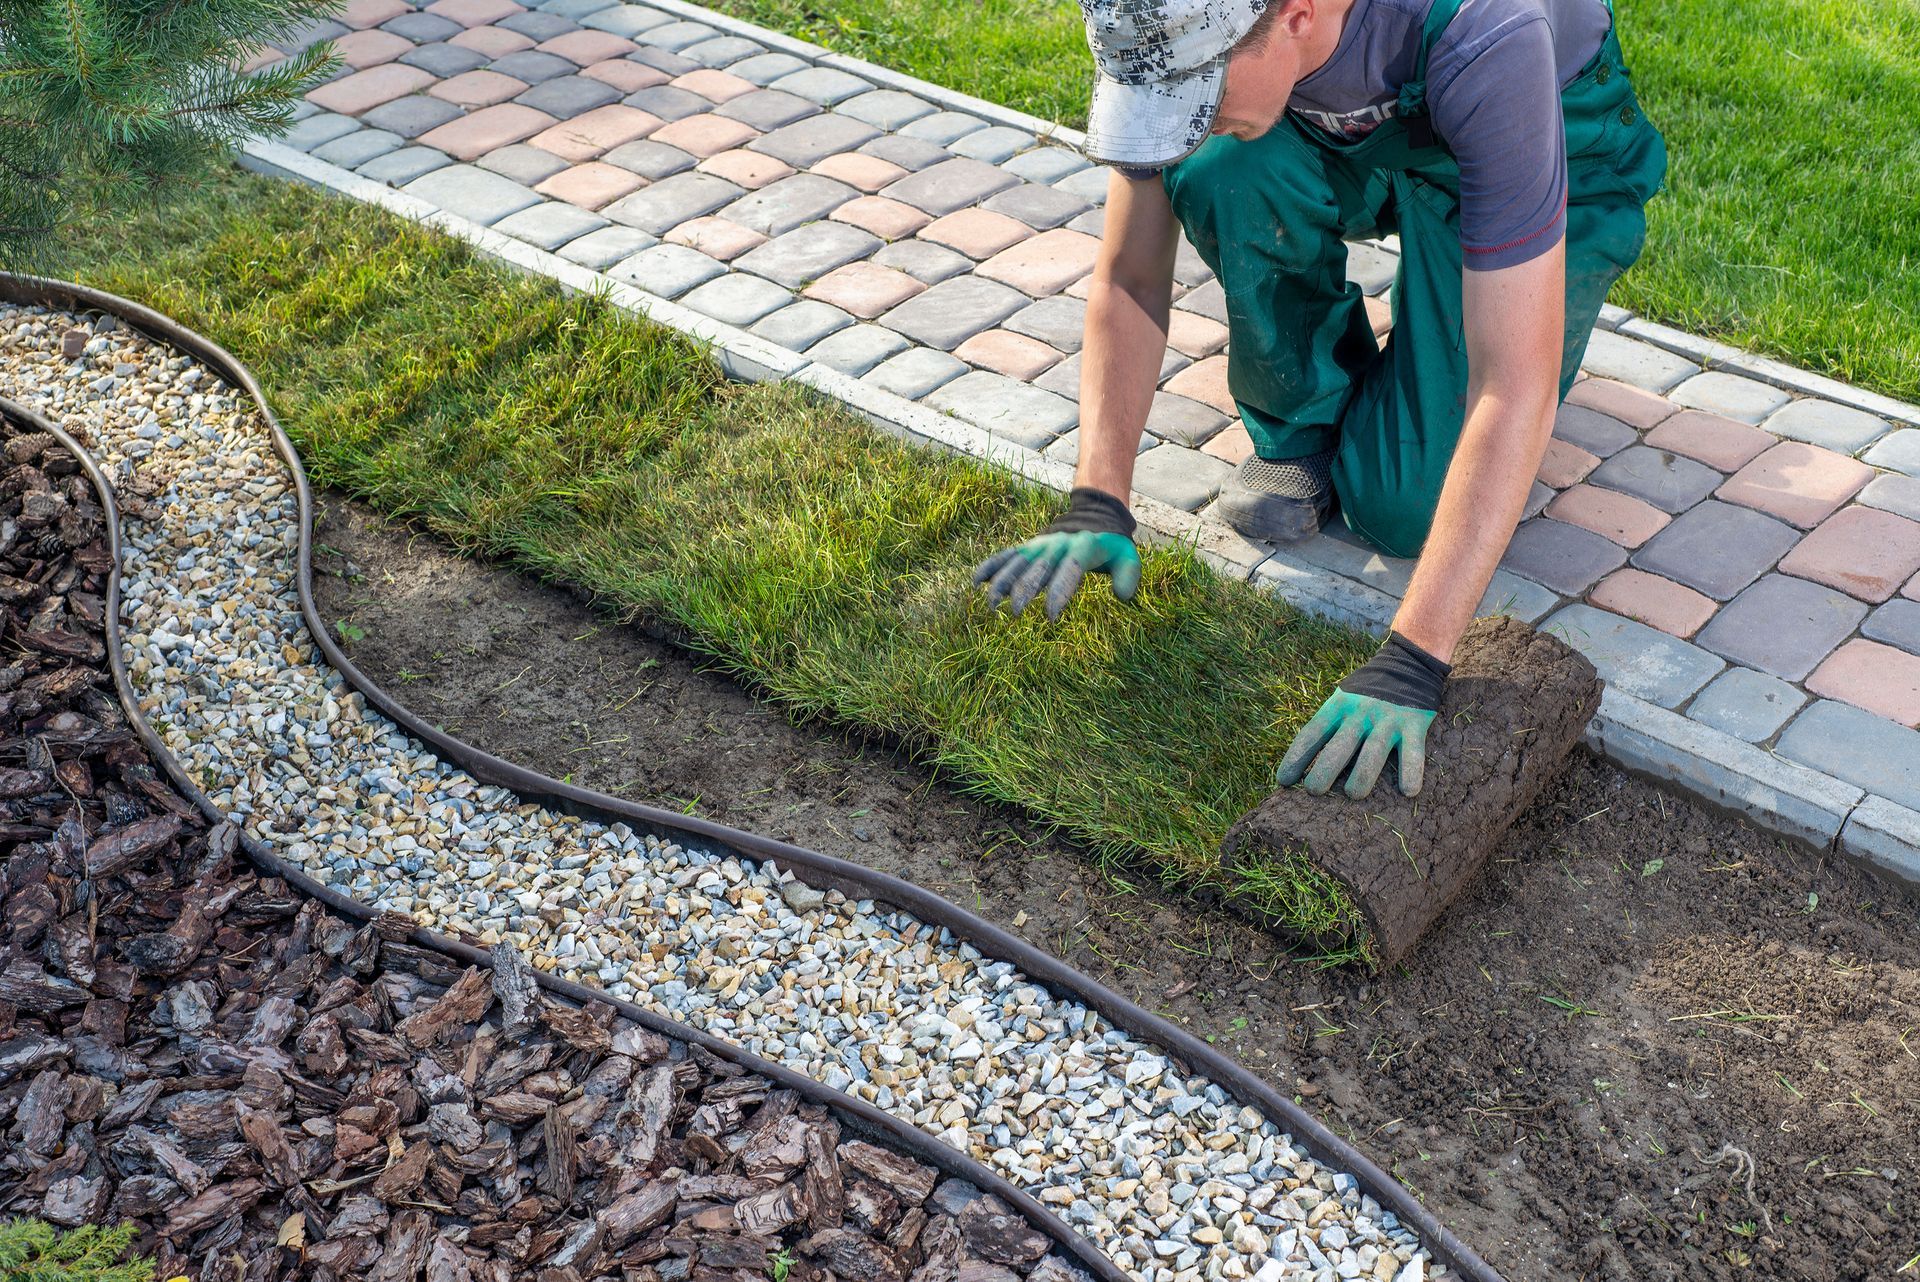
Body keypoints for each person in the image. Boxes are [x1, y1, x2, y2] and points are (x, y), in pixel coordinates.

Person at [970, 0, 1666, 800]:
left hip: (1546, 132)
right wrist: (1098, 497)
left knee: (1405, 510)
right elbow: (1129, 276)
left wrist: (1415, 659)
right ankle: (1306, 428)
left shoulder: (1489, 33)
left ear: (1297, 16)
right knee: (1218, 164)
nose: (1179, 118)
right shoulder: (1165, 23)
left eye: (1199, 93)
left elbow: (1513, 383)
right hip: (1350, 127)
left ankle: (1436, 332)